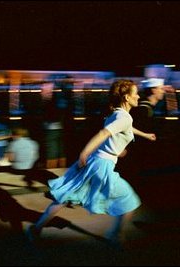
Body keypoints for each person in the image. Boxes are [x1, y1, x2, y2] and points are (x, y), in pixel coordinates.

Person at [26, 79, 156, 246]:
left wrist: (144, 135)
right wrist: (84, 152)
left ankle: (36, 229)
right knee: (129, 200)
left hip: (95, 161)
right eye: (135, 93)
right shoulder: (124, 118)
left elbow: (125, 129)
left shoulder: (116, 114)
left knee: (65, 197)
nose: (138, 96)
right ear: (126, 97)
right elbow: (104, 134)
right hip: (102, 165)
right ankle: (115, 235)